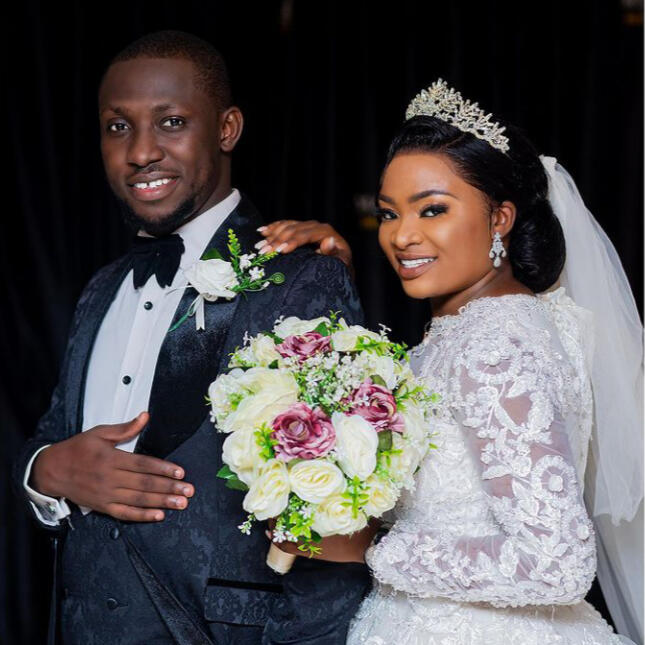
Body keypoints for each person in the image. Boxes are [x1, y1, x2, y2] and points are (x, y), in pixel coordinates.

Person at [13, 30, 372, 645]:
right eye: (118, 127)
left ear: (227, 129)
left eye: (171, 122)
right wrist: (46, 471)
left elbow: (336, 517)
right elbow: (50, 436)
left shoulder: (300, 276)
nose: (140, 152)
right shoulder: (100, 290)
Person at [259, 80, 643, 644]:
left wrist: (369, 546)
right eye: (389, 214)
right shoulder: (516, 319)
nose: (402, 236)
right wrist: (331, 284)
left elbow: (556, 564)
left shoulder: (493, 346)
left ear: (500, 218)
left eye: (432, 209)